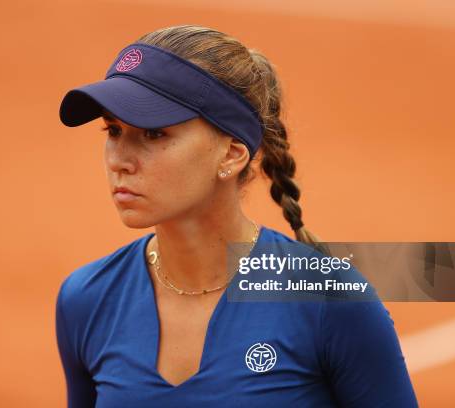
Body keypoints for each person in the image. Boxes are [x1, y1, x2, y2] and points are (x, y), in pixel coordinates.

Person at [55, 25, 418, 407]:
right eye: (113, 130)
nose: (120, 161)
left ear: (231, 154)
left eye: (154, 134)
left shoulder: (330, 303)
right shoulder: (86, 299)